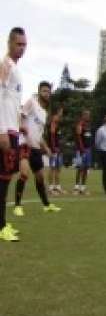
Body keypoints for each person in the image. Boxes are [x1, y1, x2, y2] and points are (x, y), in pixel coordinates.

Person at [13, 81, 61, 216]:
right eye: (44, 91)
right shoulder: (31, 102)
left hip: (35, 148)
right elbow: (20, 116)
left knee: (40, 178)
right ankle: (17, 206)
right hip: (24, 144)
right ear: (39, 91)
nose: (47, 93)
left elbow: (39, 135)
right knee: (24, 173)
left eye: (48, 91)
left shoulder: (44, 113)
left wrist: (46, 148)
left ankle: (46, 205)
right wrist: (21, 127)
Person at [0, 27, 27, 242]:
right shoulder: (6, 66)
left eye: (24, 44)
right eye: (19, 44)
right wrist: (2, 131)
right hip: (5, 131)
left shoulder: (16, 69)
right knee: (2, 179)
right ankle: (0, 227)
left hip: (13, 130)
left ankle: (2, 223)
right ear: (10, 43)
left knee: (7, 178)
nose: (22, 48)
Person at [74, 109, 93, 195]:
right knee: (80, 168)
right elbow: (78, 137)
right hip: (81, 150)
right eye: (87, 115)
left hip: (88, 149)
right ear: (83, 115)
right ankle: (77, 187)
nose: (88, 116)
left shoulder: (88, 125)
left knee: (86, 168)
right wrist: (82, 149)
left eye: (89, 115)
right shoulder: (80, 124)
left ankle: (83, 187)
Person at [47, 104, 64, 195]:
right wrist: (53, 148)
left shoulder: (58, 123)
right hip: (54, 149)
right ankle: (50, 188)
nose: (62, 113)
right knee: (52, 168)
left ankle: (57, 187)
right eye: (61, 111)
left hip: (59, 149)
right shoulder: (53, 122)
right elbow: (52, 137)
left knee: (58, 168)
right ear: (57, 112)